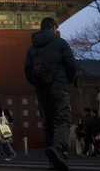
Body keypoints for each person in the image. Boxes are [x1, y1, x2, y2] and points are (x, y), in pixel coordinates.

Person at [24, 17, 77, 171]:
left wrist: (37, 83)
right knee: (62, 119)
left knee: (48, 123)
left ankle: (53, 163)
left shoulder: (32, 48)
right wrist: (68, 80)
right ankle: (59, 149)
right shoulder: (60, 43)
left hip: (42, 90)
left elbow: (27, 71)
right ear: (54, 28)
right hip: (59, 87)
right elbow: (71, 65)